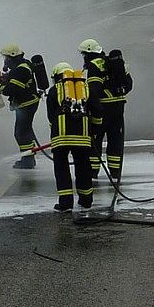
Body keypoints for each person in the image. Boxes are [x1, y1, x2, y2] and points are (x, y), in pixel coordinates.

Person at [78, 38, 133, 182]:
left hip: (102, 109)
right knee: (115, 140)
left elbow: (93, 89)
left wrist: (91, 108)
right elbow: (129, 84)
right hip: (118, 107)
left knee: (95, 141)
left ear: (89, 53)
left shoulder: (95, 65)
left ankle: (92, 172)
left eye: (84, 54)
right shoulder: (115, 63)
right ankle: (115, 172)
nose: (84, 58)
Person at [46, 62, 97, 212]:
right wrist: (93, 129)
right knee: (83, 168)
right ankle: (86, 200)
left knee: (61, 169)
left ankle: (65, 203)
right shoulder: (86, 88)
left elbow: (50, 116)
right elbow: (98, 111)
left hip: (60, 138)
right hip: (82, 137)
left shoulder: (54, 90)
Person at [0, 43, 41, 169]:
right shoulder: (21, 66)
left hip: (27, 104)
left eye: (7, 58)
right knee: (25, 131)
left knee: (20, 133)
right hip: (27, 103)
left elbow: (12, 90)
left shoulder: (22, 69)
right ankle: (29, 158)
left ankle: (27, 160)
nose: (5, 61)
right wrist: (5, 79)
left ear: (12, 57)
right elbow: (14, 80)